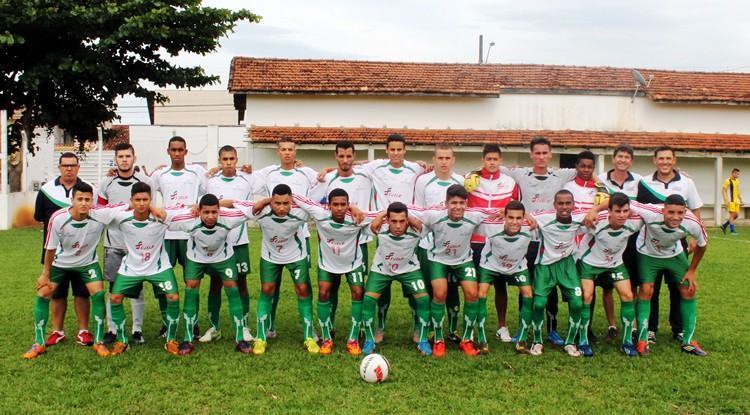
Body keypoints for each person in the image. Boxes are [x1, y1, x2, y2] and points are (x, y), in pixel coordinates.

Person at [23, 182, 126, 359]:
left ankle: (99, 342)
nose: (84, 203)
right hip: (60, 263)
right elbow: (50, 248)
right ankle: (39, 343)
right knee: (43, 294)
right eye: (80, 199)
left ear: (92, 201)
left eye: (88, 199)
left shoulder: (100, 215)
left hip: (87, 264)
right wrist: (45, 273)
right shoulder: (58, 218)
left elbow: (130, 204)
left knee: (99, 294)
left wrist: (154, 210)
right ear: (72, 200)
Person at [501, 137, 576, 347]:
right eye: (538, 153)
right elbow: (491, 166)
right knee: (526, 283)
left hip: (551, 241)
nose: (541, 157)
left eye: (545, 153)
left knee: (550, 286)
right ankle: (523, 327)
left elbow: (588, 172)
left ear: (550, 154)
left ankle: (551, 329)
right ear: (531, 155)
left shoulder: (560, 174)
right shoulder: (520, 173)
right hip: (528, 240)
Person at [227, 185, 318, 355]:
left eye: (286, 203)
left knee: (303, 290)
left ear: (291, 201)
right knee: (267, 290)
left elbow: (321, 206)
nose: (282, 207)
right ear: (271, 201)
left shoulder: (301, 211)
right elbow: (232, 202)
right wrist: (197, 206)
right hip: (270, 256)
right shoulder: (260, 210)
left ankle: (308, 337)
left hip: (296, 256)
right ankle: (261, 337)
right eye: (277, 203)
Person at [162, 194, 253, 355]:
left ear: (219, 211)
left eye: (214, 212)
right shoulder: (188, 219)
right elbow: (164, 214)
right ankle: (188, 338)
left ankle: (240, 338)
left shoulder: (229, 217)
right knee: (191, 288)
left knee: (232, 287)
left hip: (223, 257)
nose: (210, 216)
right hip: (196, 258)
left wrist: (228, 202)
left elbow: (253, 207)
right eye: (206, 212)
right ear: (199, 211)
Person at [413, 185, 498, 357]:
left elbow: (501, 210)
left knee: (473, 294)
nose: (457, 207)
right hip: (438, 260)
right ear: (446, 203)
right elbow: (408, 210)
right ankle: (438, 339)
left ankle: (466, 340)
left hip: (463, 260)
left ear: (466, 203)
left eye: (461, 203)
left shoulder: (474, 216)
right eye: (453, 203)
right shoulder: (434, 216)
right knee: (439, 294)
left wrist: (526, 216)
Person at [358, 134, 425, 343]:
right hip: (387, 227)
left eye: (399, 149)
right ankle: (380, 326)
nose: (396, 153)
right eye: (392, 149)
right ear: (386, 150)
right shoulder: (376, 167)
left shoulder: (416, 168)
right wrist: (325, 171)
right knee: (383, 284)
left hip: (408, 229)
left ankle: (417, 327)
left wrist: (428, 164)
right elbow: (352, 165)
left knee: (413, 288)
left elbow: (434, 168)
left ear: (405, 150)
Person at [252, 137, 320, 340]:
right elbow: (245, 178)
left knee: (303, 285)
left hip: (300, 235)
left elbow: (327, 181)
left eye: (290, 149)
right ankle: (269, 326)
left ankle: (310, 328)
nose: (287, 153)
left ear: (295, 151)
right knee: (272, 285)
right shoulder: (268, 173)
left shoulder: (306, 173)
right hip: (273, 235)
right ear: (278, 152)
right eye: (283, 149)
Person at [293, 190, 376, 356]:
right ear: (328, 205)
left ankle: (352, 339)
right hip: (327, 264)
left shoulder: (357, 218)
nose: (339, 208)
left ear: (347, 204)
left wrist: (355, 209)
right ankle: (327, 338)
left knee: (359, 292)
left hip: (353, 264)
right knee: (323, 293)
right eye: (335, 204)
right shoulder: (320, 213)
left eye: (343, 204)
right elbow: (295, 196)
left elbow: (385, 214)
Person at [108, 182, 183, 356]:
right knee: (115, 298)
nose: (141, 203)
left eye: (145, 200)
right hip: (131, 268)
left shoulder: (161, 217)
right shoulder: (121, 218)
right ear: (131, 201)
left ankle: (170, 340)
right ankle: (122, 341)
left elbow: (185, 211)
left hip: (158, 267)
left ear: (151, 200)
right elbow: (100, 213)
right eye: (137, 200)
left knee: (173, 296)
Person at [636, 146, 702, 343]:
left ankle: (679, 328)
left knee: (677, 285)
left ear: (674, 160)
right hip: (650, 243)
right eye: (661, 158)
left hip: (676, 242)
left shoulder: (686, 182)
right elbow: (637, 209)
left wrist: (692, 237)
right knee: (650, 287)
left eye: (668, 158)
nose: (664, 162)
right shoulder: (644, 182)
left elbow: (695, 208)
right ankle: (651, 329)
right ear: (654, 161)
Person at [630, 195, 708, 356]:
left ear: (685, 211)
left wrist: (692, 270)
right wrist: (595, 210)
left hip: (674, 254)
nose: (675, 217)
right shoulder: (650, 211)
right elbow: (622, 201)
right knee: (646, 290)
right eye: (671, 212)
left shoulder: (692, 222)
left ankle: (688, 341)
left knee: (688, 289)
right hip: (647, 254)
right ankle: (643, 340)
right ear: (663, 209)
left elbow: (702, 245)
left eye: (680, 213)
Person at [33, 152, 97, 348]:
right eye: (65, 165)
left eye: (73, 165)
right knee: (57, 294)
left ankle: (83, 331)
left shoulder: (87, 189)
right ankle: (57, 331)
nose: (69, 168)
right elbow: (40, 218)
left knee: (82, 293)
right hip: (56, 256)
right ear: (59, 167)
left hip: (82, 254)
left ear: (78, 167)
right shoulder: (46, 190)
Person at [316, 141, 373, 340]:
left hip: (359, 240)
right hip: (332, 241)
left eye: (349, 156)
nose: (345, 160)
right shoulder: (327, 179)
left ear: (354, 156)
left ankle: (362, 327)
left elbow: (385, 163)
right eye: (341, 156)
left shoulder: (365, 175)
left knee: (359, 288)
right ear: (335, 156)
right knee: (329, 288)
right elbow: (318, 204)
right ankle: (328, 326)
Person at [151, 136, 207, 338]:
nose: (176, 153)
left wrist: (198, 205)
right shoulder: (160, 174)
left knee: (191, 281)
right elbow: (146, 192)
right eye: (173, 150)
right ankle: (167, 323)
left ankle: (193, 323)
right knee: (164, 281)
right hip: (165, 233)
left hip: (189, 234)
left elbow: (209, 193)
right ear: (168, 152)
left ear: (186, 151)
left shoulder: (196, 173)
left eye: (180, 150)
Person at [464, 144, 520, 343]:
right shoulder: (471, 181)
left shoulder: (509, 182)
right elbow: (462, 203)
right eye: (488, 159)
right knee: (477, 287)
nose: (492, 163)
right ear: (483, 160)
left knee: (500, 286)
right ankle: (473, 326)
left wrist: (505, 210)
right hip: (476, 241)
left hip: (499, 242)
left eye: (495, 159)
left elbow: (516, 209)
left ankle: (502, 326)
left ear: (500, 161)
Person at [360, 202, 432, 357]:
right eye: (393, 221)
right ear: (388, 220)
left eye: (402, 221)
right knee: (368, 300)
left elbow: (428, 227)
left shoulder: (416, 230)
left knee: (424, 299)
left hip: (409, 269)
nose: (398, 225)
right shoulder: (381, 228)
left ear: (407, 220)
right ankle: (369, 340)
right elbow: (368, 224)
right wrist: (381, 216)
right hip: (382, 269)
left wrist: (412, 219)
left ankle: (423, 339)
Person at [98, 143, 153, 344]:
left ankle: (137, 330)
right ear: (116, 159)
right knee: (114, 288)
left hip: (136, 245)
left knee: (136, 288)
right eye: (120, 156)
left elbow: (149, 207)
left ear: (134, 158)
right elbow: (101, 212)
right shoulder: (106, 182)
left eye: (127, 156)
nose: (124, 159)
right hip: (113, 243)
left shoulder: (144, 181)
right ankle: (112, 329)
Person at [201, 145, 255, 343]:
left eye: (232, 159)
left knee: (241, 284)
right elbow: (205, 203)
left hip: (240, 241)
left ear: (237, 159)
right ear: (219, 161)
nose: (229, 162)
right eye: (225, 159)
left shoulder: (247, 179)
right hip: (217, 242)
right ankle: (214, 327)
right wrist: (231, 202)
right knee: (215, 285)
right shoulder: (211, 182)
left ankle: (245, 326)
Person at [578, 192, 641, 357]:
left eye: (625, 211)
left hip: (615, 264)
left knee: (628, 295)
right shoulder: (596, 223)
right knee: (587, 296)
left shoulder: (634, 223)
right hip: (589, 262)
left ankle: (627, 341)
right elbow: (571, 227)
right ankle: (583, 340)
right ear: (610, 211)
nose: (621, 215)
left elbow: (657, 212)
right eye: (617, 211)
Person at [414, 144, 464, 343]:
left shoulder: (461, 181)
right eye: (440, 158)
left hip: (454, 245)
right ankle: (423, 326)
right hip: (427, 245)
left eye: (447, 158)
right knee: (427, 289)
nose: (443, 162)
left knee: (451, 287)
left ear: (453, 160)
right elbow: (418, 210)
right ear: (433, 160)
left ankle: (452, 329)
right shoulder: (423, 181)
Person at [563, 151, 614, 342]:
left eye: (589, 166)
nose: (585, 169)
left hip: (595, 244)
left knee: (589, 287)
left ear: (593, 169)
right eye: (582, 166)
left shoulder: (601, 188)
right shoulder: (567, 186)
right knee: (576, 289)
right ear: (576, 166)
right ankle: (574, 325)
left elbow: (613, 201)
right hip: (573, 243)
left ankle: (587, 326)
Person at [529, 190, 587, 357]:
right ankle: (537, 341)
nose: (564, 207)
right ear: (554, 205)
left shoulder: (579, 217)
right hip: (545, 265)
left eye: (568, 203)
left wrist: (593, 212)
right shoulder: (543, 217)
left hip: (567, 266)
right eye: (560, 203)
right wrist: (528, 218)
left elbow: (597, 212)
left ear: (573, 205)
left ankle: (570, 342)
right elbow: (522, 213)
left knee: (577, 303)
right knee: (539, 304)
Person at [475, 201, 536, 354]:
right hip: (490, 264)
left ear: (523, 218)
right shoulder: (491, 227)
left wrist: (528, 216)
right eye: (510, 217)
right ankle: (481, 339)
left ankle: (521, 340)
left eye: (518, 218)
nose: (514, 222)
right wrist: (497, 210)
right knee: (481, 295)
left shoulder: (530, 227)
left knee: (528, 295)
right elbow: (474, 218)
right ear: (505, 217)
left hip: (517, 266)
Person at [721, 168, 743, 235]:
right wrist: (726, 200)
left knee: (736, 215)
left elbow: (737, 191)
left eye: (738, 174)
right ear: (733, 173)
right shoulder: (728, 181)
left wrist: (740, 199)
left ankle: (724, 225)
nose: (738, 175)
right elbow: (723, 191)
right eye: (737, 174)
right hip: (731, 201)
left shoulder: (737, 181)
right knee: (732, 215)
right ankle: (732, 230)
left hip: (736, 201)